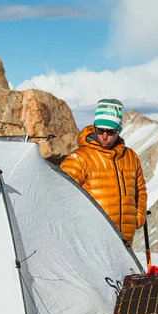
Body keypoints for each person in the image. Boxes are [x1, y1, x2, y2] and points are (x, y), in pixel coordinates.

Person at [60, 99, 147, 246]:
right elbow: (60, 194)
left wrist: (138, 216)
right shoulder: (79, 158)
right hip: (93, 241)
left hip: (125, 240)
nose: (104, 136)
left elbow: (140, 190)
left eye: (110, 131)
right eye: (100, 131)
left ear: (118, 131)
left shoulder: (130, 157)